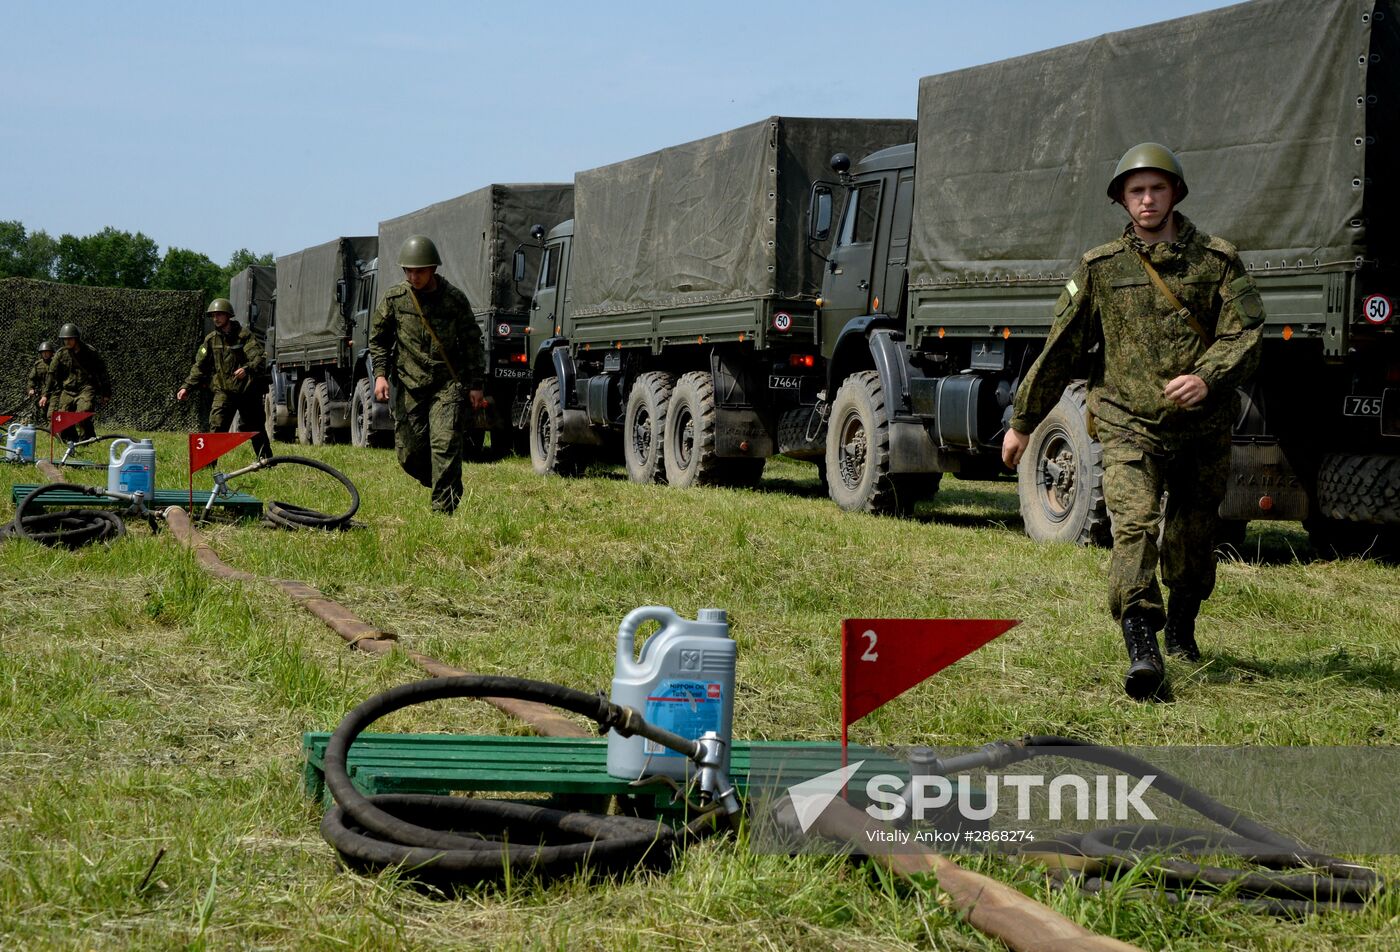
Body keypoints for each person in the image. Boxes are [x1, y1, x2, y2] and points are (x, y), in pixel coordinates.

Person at [1002, 143, 1264, 701]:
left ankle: (1184, 628)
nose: (1146, 200)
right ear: (1122, 199)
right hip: (1126, 424)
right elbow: (1060, 348)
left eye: (1156, 189)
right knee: (1135, 528)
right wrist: (1023, 421)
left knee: (1193, 536)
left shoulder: (1217, 261)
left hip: (1202, 427)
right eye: (1135, 191)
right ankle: (1142, 643)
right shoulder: (1100, 268)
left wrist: (1209, 377)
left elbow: (1246, 333)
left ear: (1175, 194)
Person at [369, 234, 485, 514]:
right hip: (409, 385)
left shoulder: (454, 299)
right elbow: (378, 339)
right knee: (409, 454)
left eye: (419, 271)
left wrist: (475, 384)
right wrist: (381, 374)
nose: (413, 276)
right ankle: (445, 482)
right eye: (408, 270)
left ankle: (442, 512)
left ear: (433, 268)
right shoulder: (395, 299)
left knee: (444, 445)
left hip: (446, 386)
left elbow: (472, 342)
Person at [178, 298, 272, 461]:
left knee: (256, 428)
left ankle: (266, 461)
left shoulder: (244, 336)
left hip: (247, 392)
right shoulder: (211, 340)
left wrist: (246, 369)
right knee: (216, 427)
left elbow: (258, 358)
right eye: (213, 315)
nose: (216, 318)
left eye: (219, 315)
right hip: (224, 391)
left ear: (228, 315)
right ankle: (208, 464)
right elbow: (199, 366)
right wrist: (186, 387)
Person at [41, 323, 111, 442]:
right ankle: (70, 439)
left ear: (76, 338)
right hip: (68, 390)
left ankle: (87, 439)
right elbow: (51, 375)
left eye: (69, 339)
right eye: (64, 340)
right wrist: (45, 395)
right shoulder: (60, 354)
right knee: (63, 416)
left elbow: (102, 372)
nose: (66, 342)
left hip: (86, 389)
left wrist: (106, 393)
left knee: (82, 413)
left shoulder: (90, 352)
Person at [26, 341, 55, 420]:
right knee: (43, 414)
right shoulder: (38, 364)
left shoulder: (56, 363)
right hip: (42, 393)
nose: (45, 354)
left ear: (51, 352)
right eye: (43, 352)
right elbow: (32, 378)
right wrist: (31, 388)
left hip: (55, 392)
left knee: (52, 414)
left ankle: (54, 430)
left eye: (47, 352)